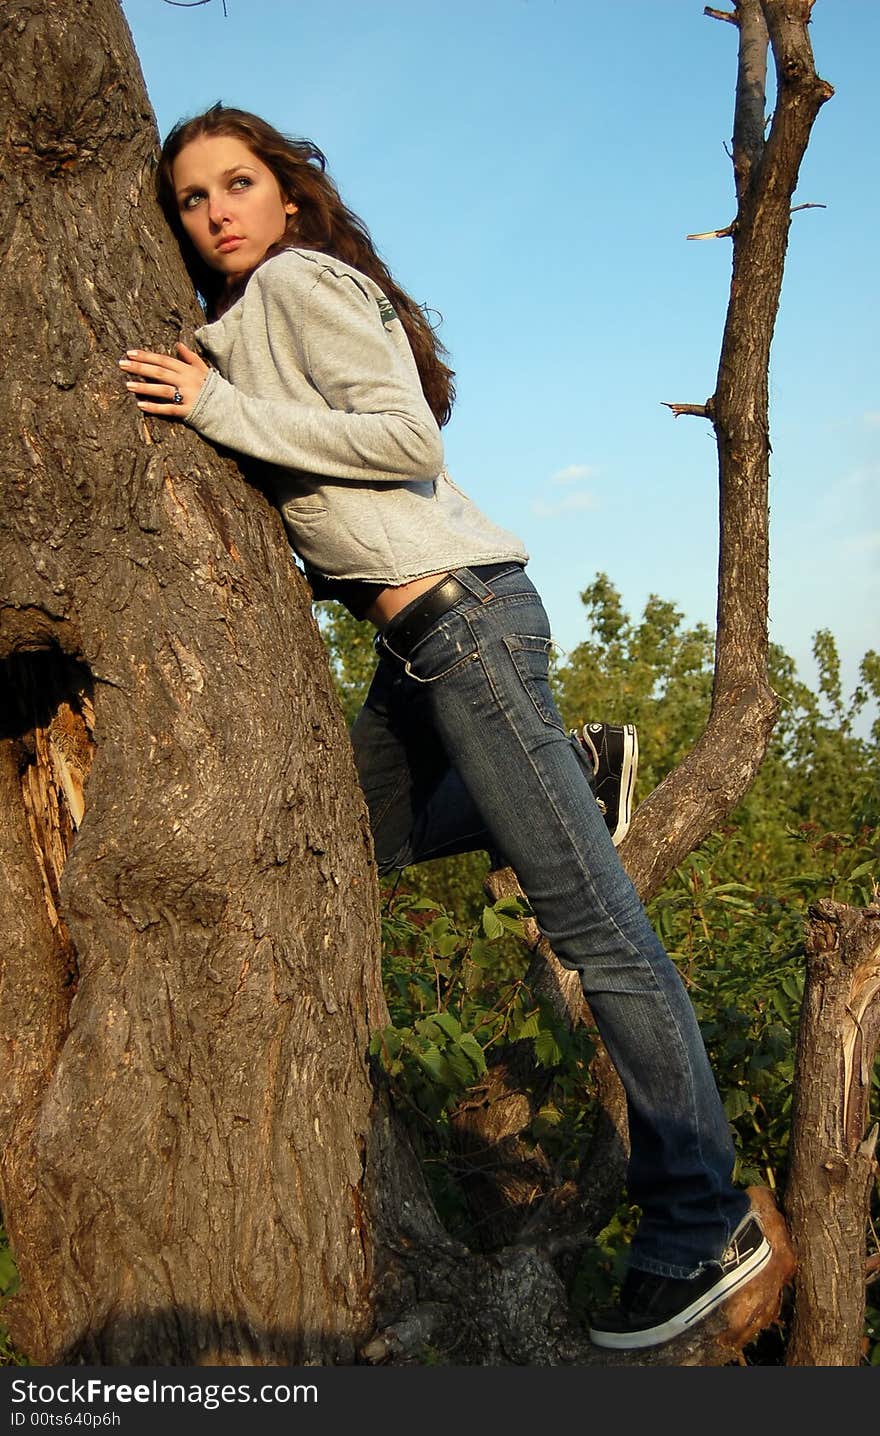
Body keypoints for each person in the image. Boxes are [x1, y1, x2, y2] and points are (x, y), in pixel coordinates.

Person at [120, 105, 771, 1350]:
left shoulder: (304, 279)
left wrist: (215, 408)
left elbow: (403, 436)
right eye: (192, 199)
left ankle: (702, 1213)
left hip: (466, 625)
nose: (214, 213)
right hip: (411, 656)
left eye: (237, 183)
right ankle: (572, 768)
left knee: (601, 933)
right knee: (328, 838)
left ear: (292, 195)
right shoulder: (241, 318)